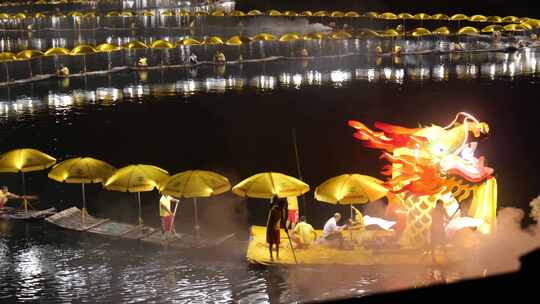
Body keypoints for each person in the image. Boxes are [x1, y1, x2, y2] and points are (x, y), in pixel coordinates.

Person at [430, 200, 449, 264]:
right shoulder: (434, 210)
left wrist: (447, 220)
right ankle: (433, 258)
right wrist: (446, 219)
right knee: (434, 244)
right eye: (441, 204)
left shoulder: (442, 210)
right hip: (435, 229)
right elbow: (435, 218)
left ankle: (446, 257)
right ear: (438, 204)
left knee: (442, 243)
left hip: (439, 228)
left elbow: (447, 218)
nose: (442, 206)